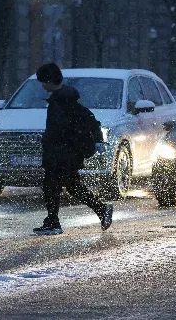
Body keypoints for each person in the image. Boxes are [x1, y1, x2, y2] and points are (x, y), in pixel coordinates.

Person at [34, 63, 114, 236]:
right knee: (71, 187)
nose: (42, 85)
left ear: (49, 80)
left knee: (52, 186)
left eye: (43, 81)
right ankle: (101, 210)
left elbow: (64, 129)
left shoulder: (63, 101)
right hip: (63, 154)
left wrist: (54, 145)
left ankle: (54, 222)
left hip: (62, 155)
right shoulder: (63, 99)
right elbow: (90, 120)